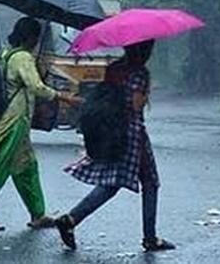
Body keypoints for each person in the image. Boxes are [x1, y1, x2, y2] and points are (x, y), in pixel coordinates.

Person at [55, 40, 175, 252]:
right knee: (150, 182)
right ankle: (150, 237)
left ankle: (71, 219)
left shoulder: (114, 68)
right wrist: (146, 93)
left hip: (112, 131)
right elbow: (136, 105)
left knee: (111, 184)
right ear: (144, 50)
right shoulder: (139, 72)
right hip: (133, 134)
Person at [0, 18, 81, 231]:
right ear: (31, 37)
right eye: (36, 38)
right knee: (3, 166)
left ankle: (38, 213)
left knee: (27, 166)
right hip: (15, 120)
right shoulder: (22, 57)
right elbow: (36, 87)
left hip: (14, 117)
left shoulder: (7, 54)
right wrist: (63, 96)